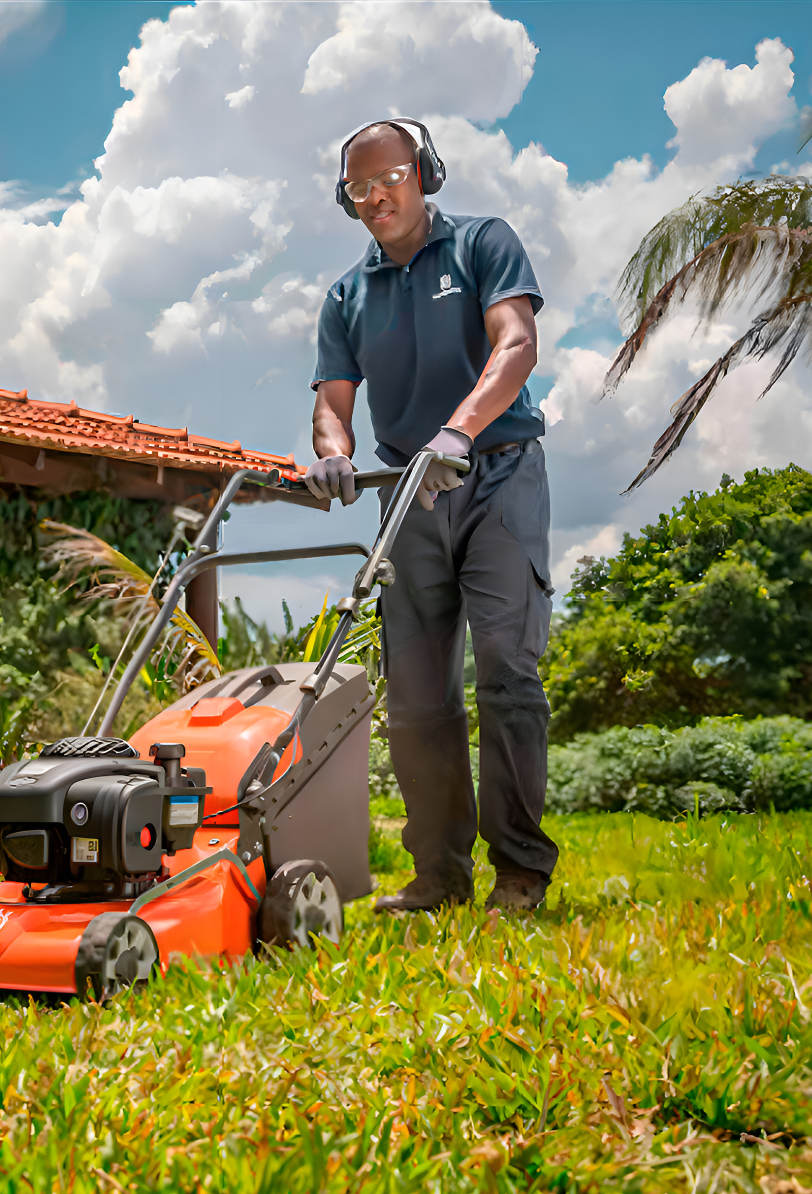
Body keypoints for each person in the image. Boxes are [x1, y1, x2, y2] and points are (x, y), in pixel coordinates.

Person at [304, 119, 559, 912]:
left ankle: (518, 869)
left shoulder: (484, 243)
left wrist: (460, 429)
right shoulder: (347, 295)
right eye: (359, 187)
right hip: (406, 495)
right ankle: (438, 875)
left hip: (497, 476)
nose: (377, 195)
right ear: (347, 200)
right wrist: (335, 452)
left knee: (508, 675)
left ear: (426, 173)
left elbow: (516, 343)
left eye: (391, 177)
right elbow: (332, 403)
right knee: (416, 697)